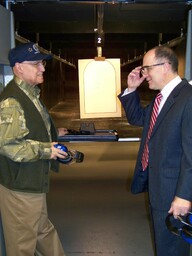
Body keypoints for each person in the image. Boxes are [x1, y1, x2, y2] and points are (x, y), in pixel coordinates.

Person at [118, 46, 192, 256]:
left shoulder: (188, 98)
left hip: (175, 192)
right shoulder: (164, 98)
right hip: (161, 189)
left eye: (146, 68)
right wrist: (131, 89)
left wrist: (184, 196)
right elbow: (139, 119)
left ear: (165, 66)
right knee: (165, 245)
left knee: (172, 249)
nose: (144, 74)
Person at [0, 42, 68, 256]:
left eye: (42, 63)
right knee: (22, 244)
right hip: (20, 186)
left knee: (42, 231)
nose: (43, 68)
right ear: (19, 67)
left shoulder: (30, 93)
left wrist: (55, 134)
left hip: (33, 182)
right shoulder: (12, 100)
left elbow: (29, 127)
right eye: (37, 64)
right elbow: (9, 145)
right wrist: (48, 150)